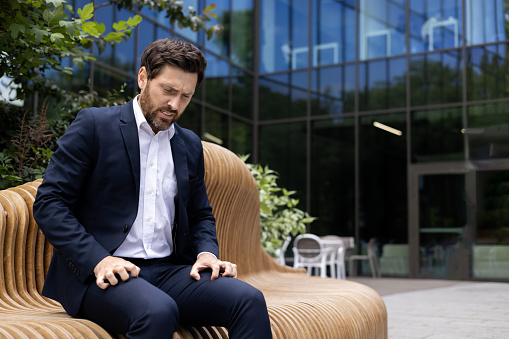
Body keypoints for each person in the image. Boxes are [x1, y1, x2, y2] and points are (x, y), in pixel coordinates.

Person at [33, 38, 273, 338]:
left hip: (168, 272)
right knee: (158, 311)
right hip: (100, 274)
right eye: (169, 91)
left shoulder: (189, 145)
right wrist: (98, 259)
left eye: (186, 96)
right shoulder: (94, 126)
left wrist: (207, 254)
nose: (175, 105)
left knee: (249, 300)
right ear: (143, 77)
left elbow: (200, 215)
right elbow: (49, 203)